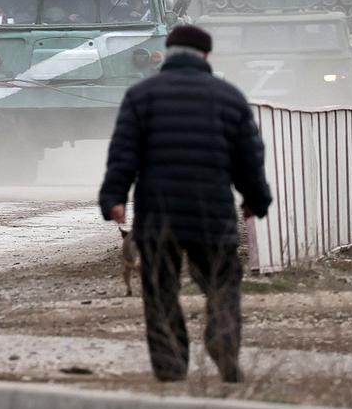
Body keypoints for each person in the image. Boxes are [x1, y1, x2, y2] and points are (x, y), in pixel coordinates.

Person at [99, 24, 271, 383]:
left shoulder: (141, 96)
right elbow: (249, 157)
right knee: (222, 285)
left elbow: (123, 154)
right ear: (206, 56)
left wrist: (114, 197)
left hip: (158, 216)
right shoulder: (229, 97)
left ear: (167, 52)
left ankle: (170, 365)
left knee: (160, 291)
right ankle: (223, 343)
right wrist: (255, 199)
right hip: (213, 213)